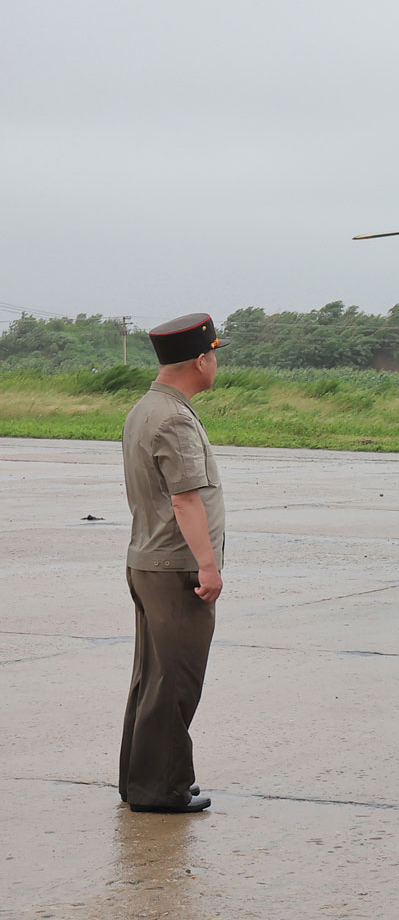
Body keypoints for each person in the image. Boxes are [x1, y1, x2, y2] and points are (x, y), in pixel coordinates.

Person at [119, 312, 228, 814]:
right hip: (176, 567)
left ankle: (140, 783)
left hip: (148, 561)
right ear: (201, 358)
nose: (215, 363)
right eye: (215, 355)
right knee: (175, 683)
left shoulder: (145, 407)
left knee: (152, 679)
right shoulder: (174, 418)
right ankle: (161, 790)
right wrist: (208, 566)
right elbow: (186, 500)